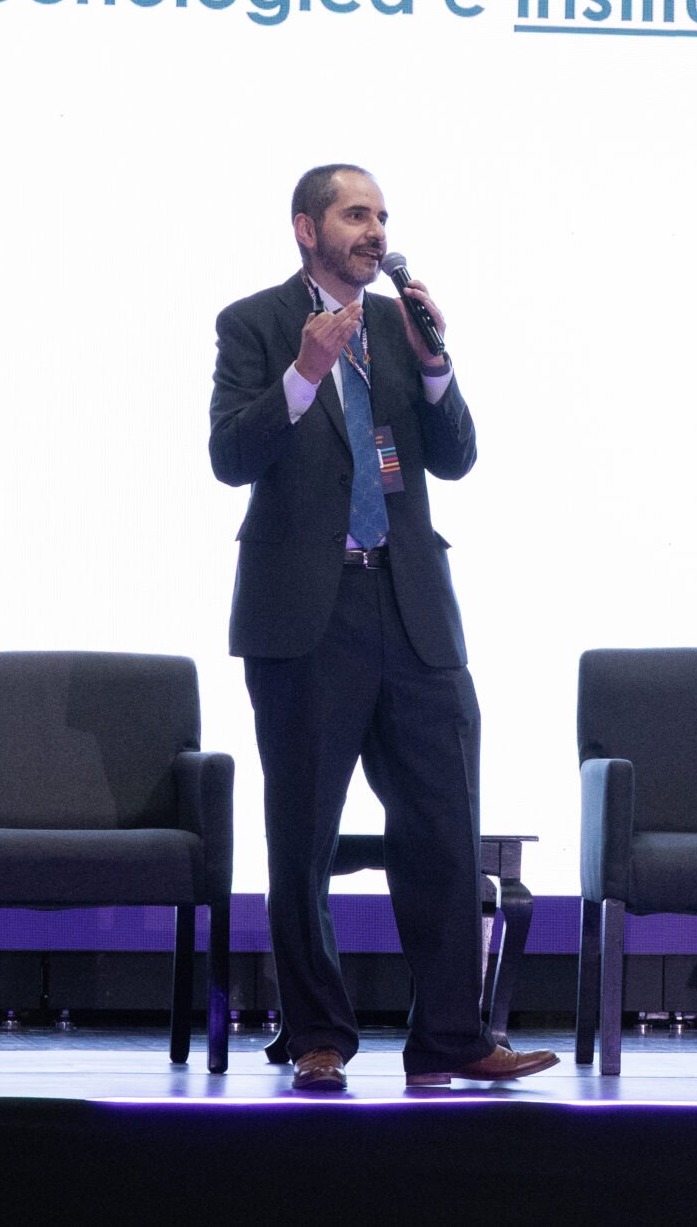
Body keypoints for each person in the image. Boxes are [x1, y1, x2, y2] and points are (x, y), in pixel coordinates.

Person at [208, 163, 557, 1092]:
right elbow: (229, 456)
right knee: (303, 839)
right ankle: (318, 1036)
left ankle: (451, 1038)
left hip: (412, 612)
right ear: (306, 228)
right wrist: (303, 373)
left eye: (381, 217)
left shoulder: (403, 328)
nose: (375, 231)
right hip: (307, 617)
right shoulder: (254, 324)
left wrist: (437, 364)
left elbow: (457, 458)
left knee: (444, 833)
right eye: (355, 214)